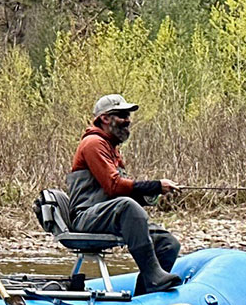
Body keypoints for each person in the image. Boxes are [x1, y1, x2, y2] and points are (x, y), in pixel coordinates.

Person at [66, 94, 182, 294]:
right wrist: (154, 185)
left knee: (168, 243)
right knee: (127, 206)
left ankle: (146, 297)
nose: (127, 120)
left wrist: (153, 194)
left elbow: (122, 192)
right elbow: (114, 186)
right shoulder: (93, 143)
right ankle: (154, 276)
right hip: (87, 217)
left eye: (128, 115)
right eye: (121, 115)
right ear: (105, 118)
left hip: (111, 216)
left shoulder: (112, 150)